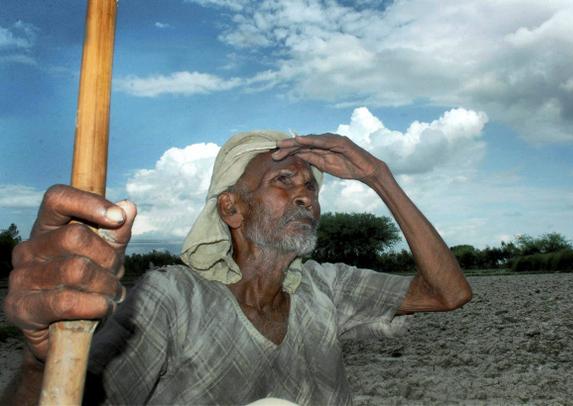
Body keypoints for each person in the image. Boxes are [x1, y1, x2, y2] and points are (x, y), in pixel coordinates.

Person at [3, 132, 472, 405]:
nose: (306, 196)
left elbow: (448, 293)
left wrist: (378, 176)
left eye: (311, 186)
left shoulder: (325, 286)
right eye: (283, 181)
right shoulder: (171, 298)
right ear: (231, 208)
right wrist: (41, 360)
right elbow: (73, 395)